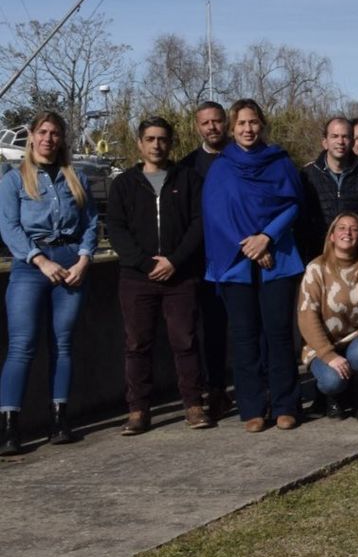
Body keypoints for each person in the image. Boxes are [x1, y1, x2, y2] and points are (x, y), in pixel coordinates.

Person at [201, 99, 304, 432]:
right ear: (232, 128)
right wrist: (252, 245)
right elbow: (216, 214)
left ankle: (287, 404)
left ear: (262, 125)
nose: (248, 129)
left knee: (278, 335)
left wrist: (267, 237)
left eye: (253, 122)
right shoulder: (222, 167)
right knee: (245, 337)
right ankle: (253, 408)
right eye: (241, 123)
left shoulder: (280, 161)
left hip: (278, 259)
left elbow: (292, 204)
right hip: (236, 261)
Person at [0, 112, 100, 453]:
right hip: (31, 266)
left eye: (55, 133)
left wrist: (85, 258)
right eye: (42, 132)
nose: (48, 139)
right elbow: (9, 227)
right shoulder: (14, 181)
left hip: (72, 265)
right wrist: (40, 260)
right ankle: (10, 427)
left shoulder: (77, 178)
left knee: (63, 344)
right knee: (22, 345)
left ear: (62, 139)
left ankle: (59, 420)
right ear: (31, 136)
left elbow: (90, 222)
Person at [106, 116, 210, 436]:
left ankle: (193, 404)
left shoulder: (189, 179)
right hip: (137, 278)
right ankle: (138, 409)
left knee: (186, 341)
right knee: (137, 344)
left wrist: (175, 261)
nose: (156, 145)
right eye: (150, 139)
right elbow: (116, 230)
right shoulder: (123, 184)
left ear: (171, 142)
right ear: (139, 143)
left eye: (162, 139)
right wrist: (145, 264)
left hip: (180, 276)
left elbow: (198, 224)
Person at [298, 213, 358, 422]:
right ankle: (333, 398)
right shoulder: (316, 269)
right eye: (342, 228)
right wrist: (328, 355)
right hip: (323, 346)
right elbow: (306, 316)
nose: (348, 232)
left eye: (354, 229)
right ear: (332, 236)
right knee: (332, 381)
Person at [178, 100, 231, 418]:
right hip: (202, 261)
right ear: (197, 127)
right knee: (209, 329)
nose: (212, 127)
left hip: (241, 257)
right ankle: (215, 389)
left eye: (217, 121)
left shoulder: (241, 158)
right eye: (205, 123)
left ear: (226, 123)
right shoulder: (187, 166)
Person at [298, 116, 358, 264]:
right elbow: (301, 223)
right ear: (325, 142)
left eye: (345, 137)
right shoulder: (308, 175)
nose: (340, 142)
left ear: (352, 142)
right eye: (334, 136)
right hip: (319, 258)